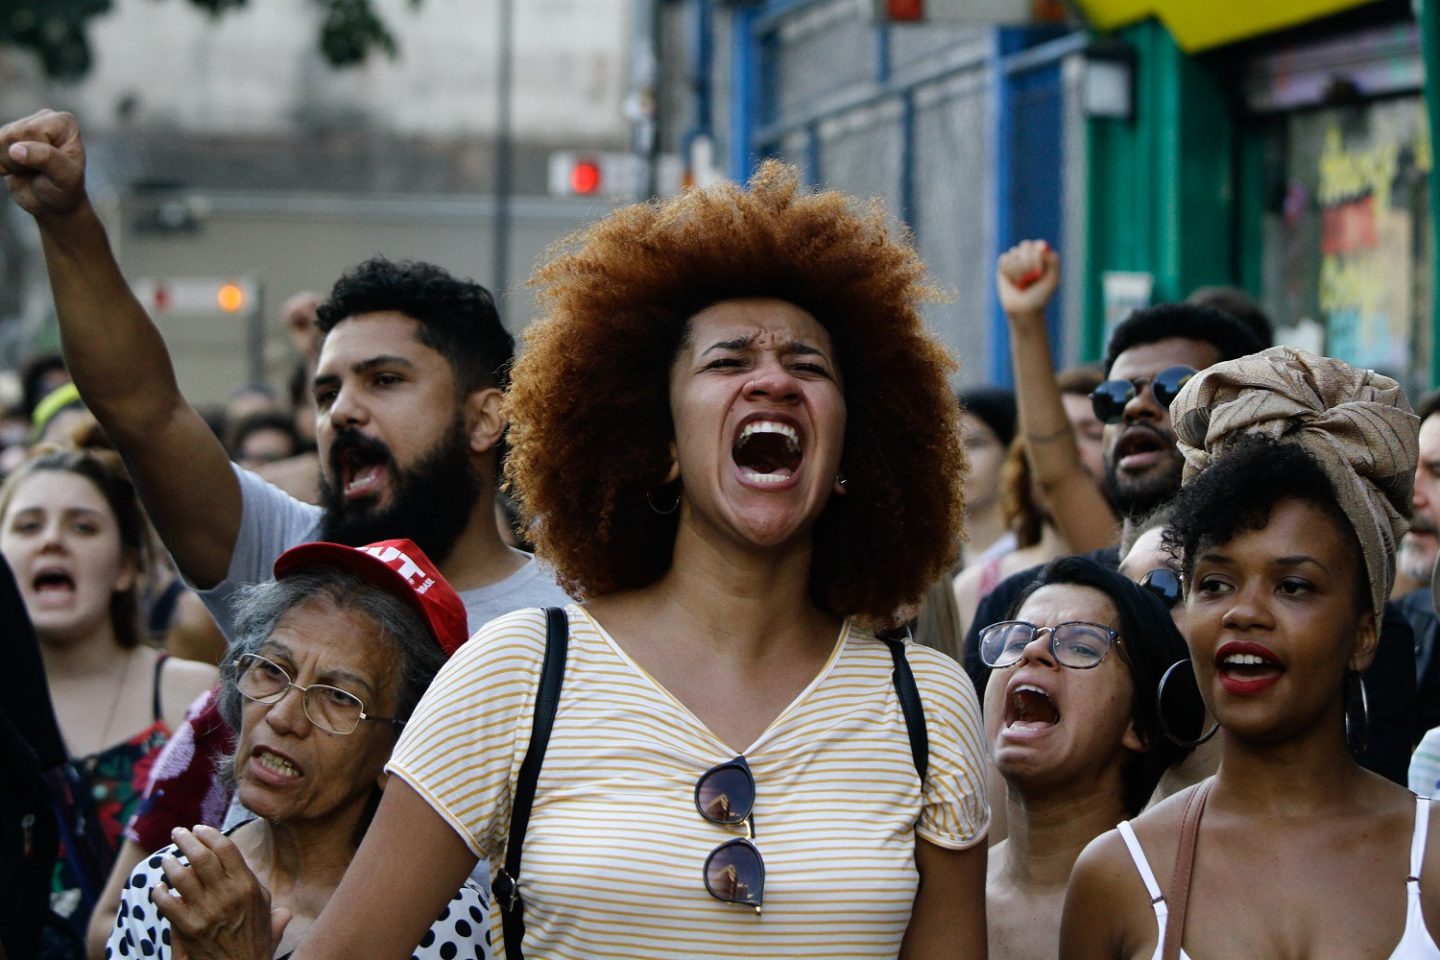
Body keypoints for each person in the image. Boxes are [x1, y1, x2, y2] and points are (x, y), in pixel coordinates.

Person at [167, 161, 990, 959]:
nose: (773, 381)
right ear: (659, 444)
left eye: (808, 365)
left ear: (852, 450)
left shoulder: (932, 710)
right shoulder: (515, 674)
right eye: (729, 361)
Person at [1060, 347, 1439, 959]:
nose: (1244, 612)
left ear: (1364, 633)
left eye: (1293, 585)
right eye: (1214, 583)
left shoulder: (1436, 860)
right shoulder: (1117, 876)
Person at [107, 538, 490, 960]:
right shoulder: (172, 888)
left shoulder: (445, 922)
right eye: (272, 670)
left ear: (401, 748)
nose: (283, 717)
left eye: (340, 697)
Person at [0, 436, 217, 943]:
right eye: (28, 525)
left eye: (83, 526)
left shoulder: (193, 696)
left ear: (126, 566)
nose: (52, 541)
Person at [982, 556, 1196, 960]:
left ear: (1141, 726)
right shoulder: (935, 888)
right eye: (1014, 641)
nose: (1032, 650)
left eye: (1081, 645)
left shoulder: (1184, 905)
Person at [957, 386, 1017, 563]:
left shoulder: (1040, 555)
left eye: (975, 444)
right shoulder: (928, 563)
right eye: (947, 446)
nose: (958, 460)